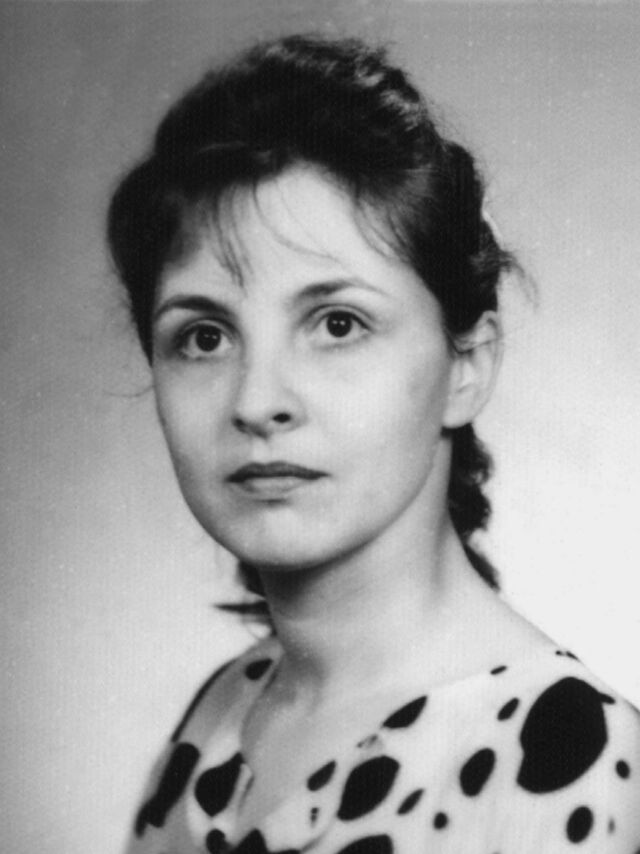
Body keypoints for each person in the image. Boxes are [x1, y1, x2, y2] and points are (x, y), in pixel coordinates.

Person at [108, 34, 640, 854]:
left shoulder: (577, 767)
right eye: (204, 337)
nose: (257, 401)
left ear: (466, 366)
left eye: (338, 324)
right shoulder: (216, 720)